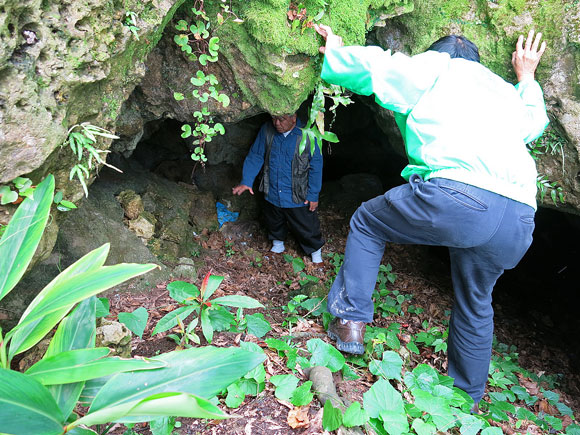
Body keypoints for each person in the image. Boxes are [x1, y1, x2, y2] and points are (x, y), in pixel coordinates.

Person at [315, 24, 549, 408]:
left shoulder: (439, 68)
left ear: (437, 54)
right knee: (475, 302)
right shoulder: (506, 93)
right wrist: (527, 77)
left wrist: (337, 54)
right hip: (518, 217)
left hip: (458, 196)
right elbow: (534, 123)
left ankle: (350, 319)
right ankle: (466, 400)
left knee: (368, 222)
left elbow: (380, 69)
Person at [232, 113, 325, 263]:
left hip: (297, 193)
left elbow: (316, 166)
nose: (276, 123)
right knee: (273, 219)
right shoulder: (267, 130)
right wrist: (247, 180)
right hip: (273, 189)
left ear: (294, 118)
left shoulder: (308, 134)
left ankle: (315, 251)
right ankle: (278, 243)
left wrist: (313, 195)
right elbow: (256, 155)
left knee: (305, 224)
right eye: (274, 119)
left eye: (282, 119)